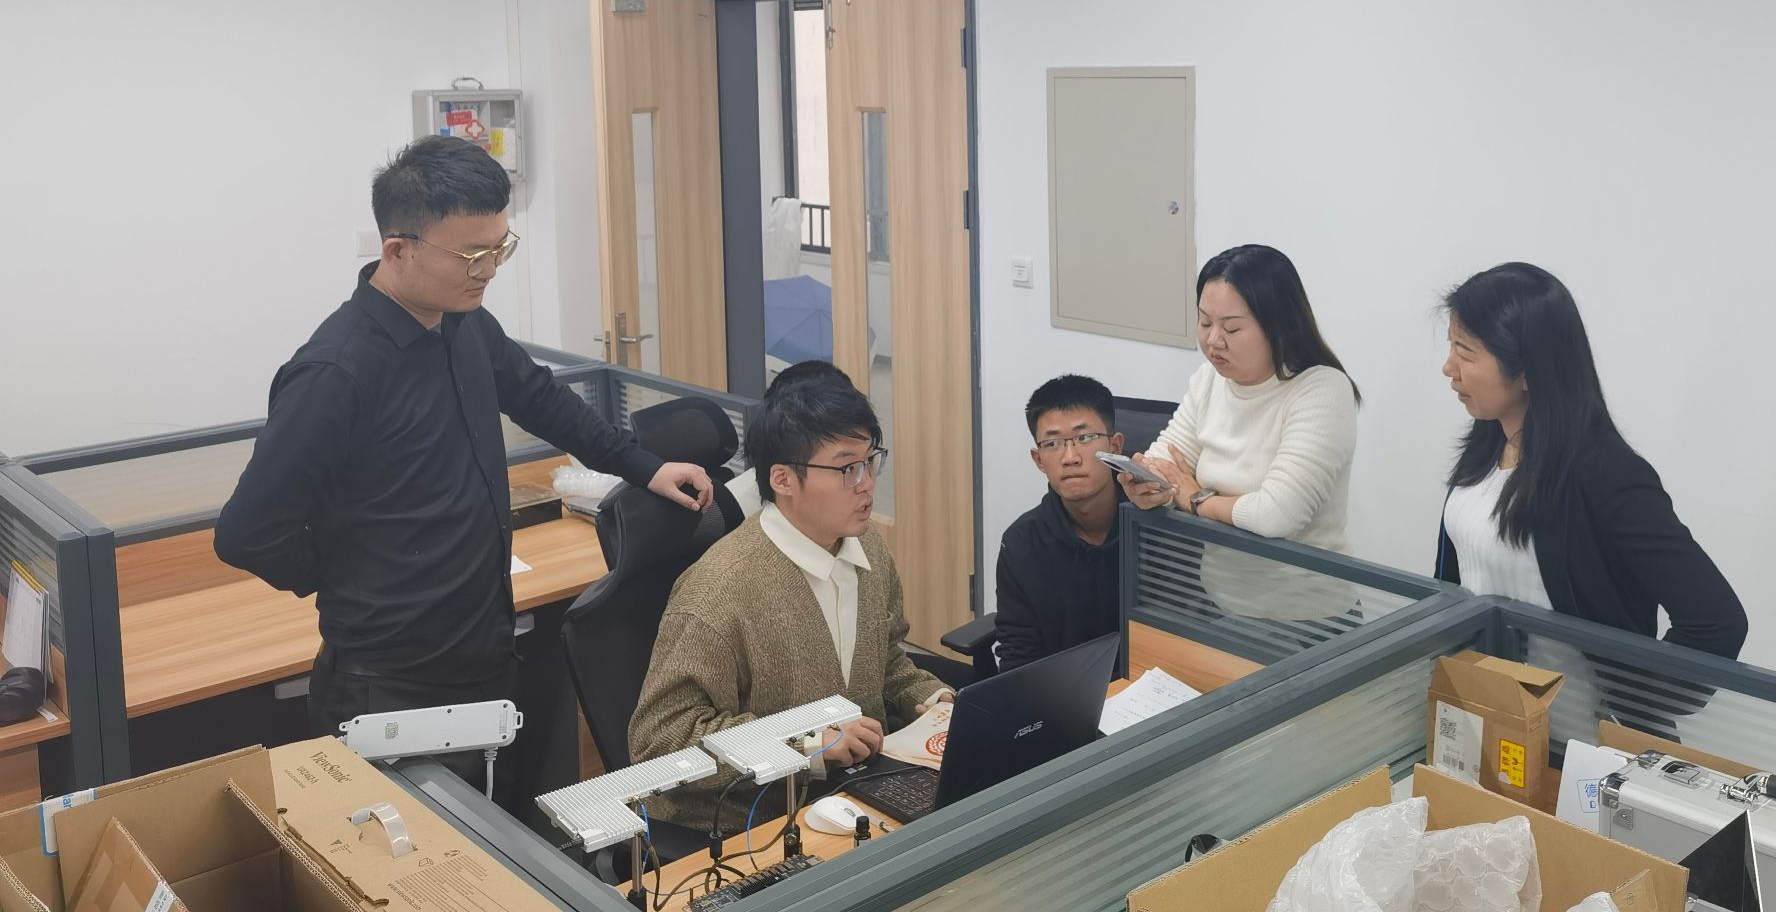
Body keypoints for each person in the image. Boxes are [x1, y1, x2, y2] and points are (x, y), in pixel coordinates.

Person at [215, 136, 713, 781]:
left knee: (500, 833)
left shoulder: (463, 322)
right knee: (424, 847)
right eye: (473, 255)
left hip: (485, 651)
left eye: (501, 248)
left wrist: (643, 465)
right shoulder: (335, 373)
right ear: (399, 251)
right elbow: (247, 532)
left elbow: (539, 398)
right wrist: (349, 575)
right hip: (389, 683)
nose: (490, 270)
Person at [629, 365, 951, 831]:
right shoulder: (719, 592)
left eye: (871, 461)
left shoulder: (869, 550)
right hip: (749, 824)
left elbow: (886, 662)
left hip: (856, 794)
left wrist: (935, 700)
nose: (866, 483)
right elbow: (659, 741)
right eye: (847, 468)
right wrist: (806, 744)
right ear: (781, 479)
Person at [1436, 262, 1746, 657]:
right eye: (1451, 346)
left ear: (1528, 369)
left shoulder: (1608, 474)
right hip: (1474, 689)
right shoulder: (1487, 443)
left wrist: (1638, 692)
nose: (1449, 368)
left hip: (1566, 697)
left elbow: (1716, 623)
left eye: (1465, 352)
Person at [1123, 244, 1362, 620]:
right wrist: (1146, 485)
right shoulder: (1209, 380)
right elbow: (1164, 464)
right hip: (1220, 604)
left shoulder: (1322, 390)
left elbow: (1276, 515)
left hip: (1307, 618)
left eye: (1232, 328)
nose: (1213, 340)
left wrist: (1194, 498)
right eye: (1205, 323)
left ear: (1280, 326)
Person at [992, 375, 1128, 670]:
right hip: (1063, 694)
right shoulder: (1022, 543)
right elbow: (1018, 654)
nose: (1070, 457)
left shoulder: (1153, 532)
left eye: (1084, 438)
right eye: (1052, 443)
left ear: (1115, 446)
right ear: (1038, 460)